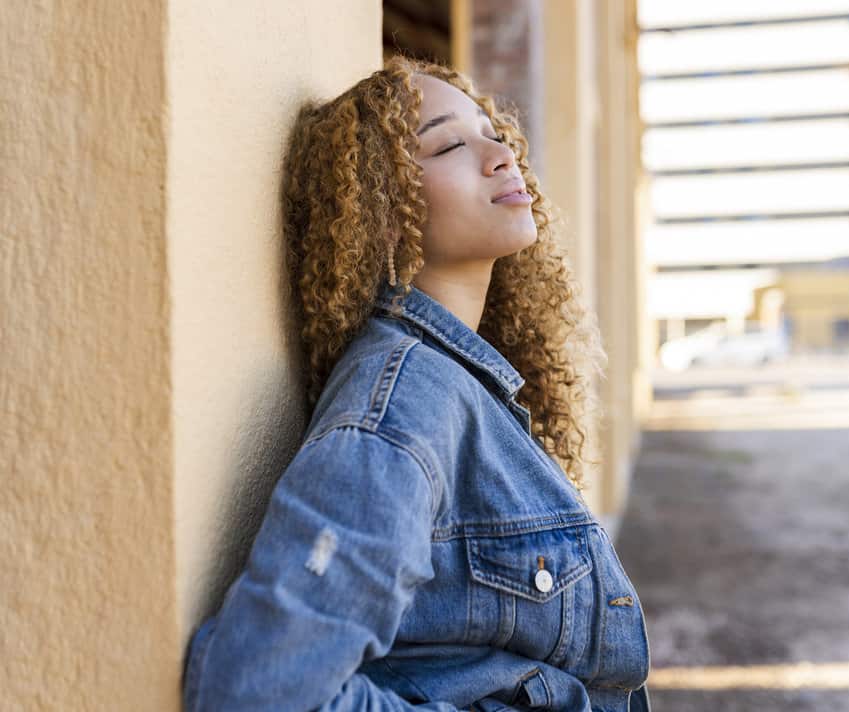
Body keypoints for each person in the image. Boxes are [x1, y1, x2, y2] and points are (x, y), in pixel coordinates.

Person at [182, 54, 652, 712]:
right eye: (450, 143)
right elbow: (261, 693)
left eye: (493, 132)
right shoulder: (403, 404)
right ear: (382, 210)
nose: (497, 155)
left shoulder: (460, 383)